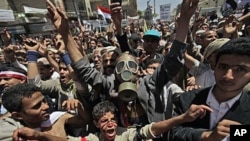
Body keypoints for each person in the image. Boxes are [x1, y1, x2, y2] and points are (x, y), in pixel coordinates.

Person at [46, 0, 198, 130]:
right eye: (120, 65)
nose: (126, 69)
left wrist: (184, 20)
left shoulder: (151, 83)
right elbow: (84, 68)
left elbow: (172, 61)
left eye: (131, 64)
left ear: (139, 69)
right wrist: (65, 34)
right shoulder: (110, 83)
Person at [170, 37, 250, 141]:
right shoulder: (187, 99)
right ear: (214, 67)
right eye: (223, 67)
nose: (228, 76)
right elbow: (172, 132)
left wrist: (235, 133)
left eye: (240, 69)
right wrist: (206, 136)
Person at [66, 101, 212, 141]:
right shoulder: (93, 139)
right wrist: (42, 136)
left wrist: (182, 118)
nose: (110, 124)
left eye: (113, 120)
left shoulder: (126, 135)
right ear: (96, 124)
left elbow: (152, 129)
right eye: (104, 121)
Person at [0, 83, 89, 140]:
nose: (46, 106)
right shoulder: (11, 131)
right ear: (17, 115)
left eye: (44, 101)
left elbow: (84, 120)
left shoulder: (56, 118)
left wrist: (79, 106)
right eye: (37, 106)